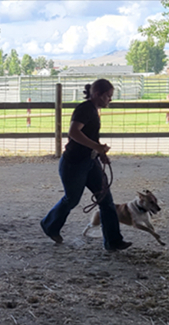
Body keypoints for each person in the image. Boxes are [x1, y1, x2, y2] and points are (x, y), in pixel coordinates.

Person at [40, 79, 132, 251]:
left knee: (106, 199)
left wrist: (99, 153)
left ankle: (113, 241)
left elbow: (90, 135)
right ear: (97, 94)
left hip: (90, 161)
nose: (109, 100)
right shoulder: (84, 109)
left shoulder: (93, 110)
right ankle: (49, 224)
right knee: (72, 199)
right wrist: (97, 147)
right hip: (74, 163)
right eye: (108, 96)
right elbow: (74, 132)